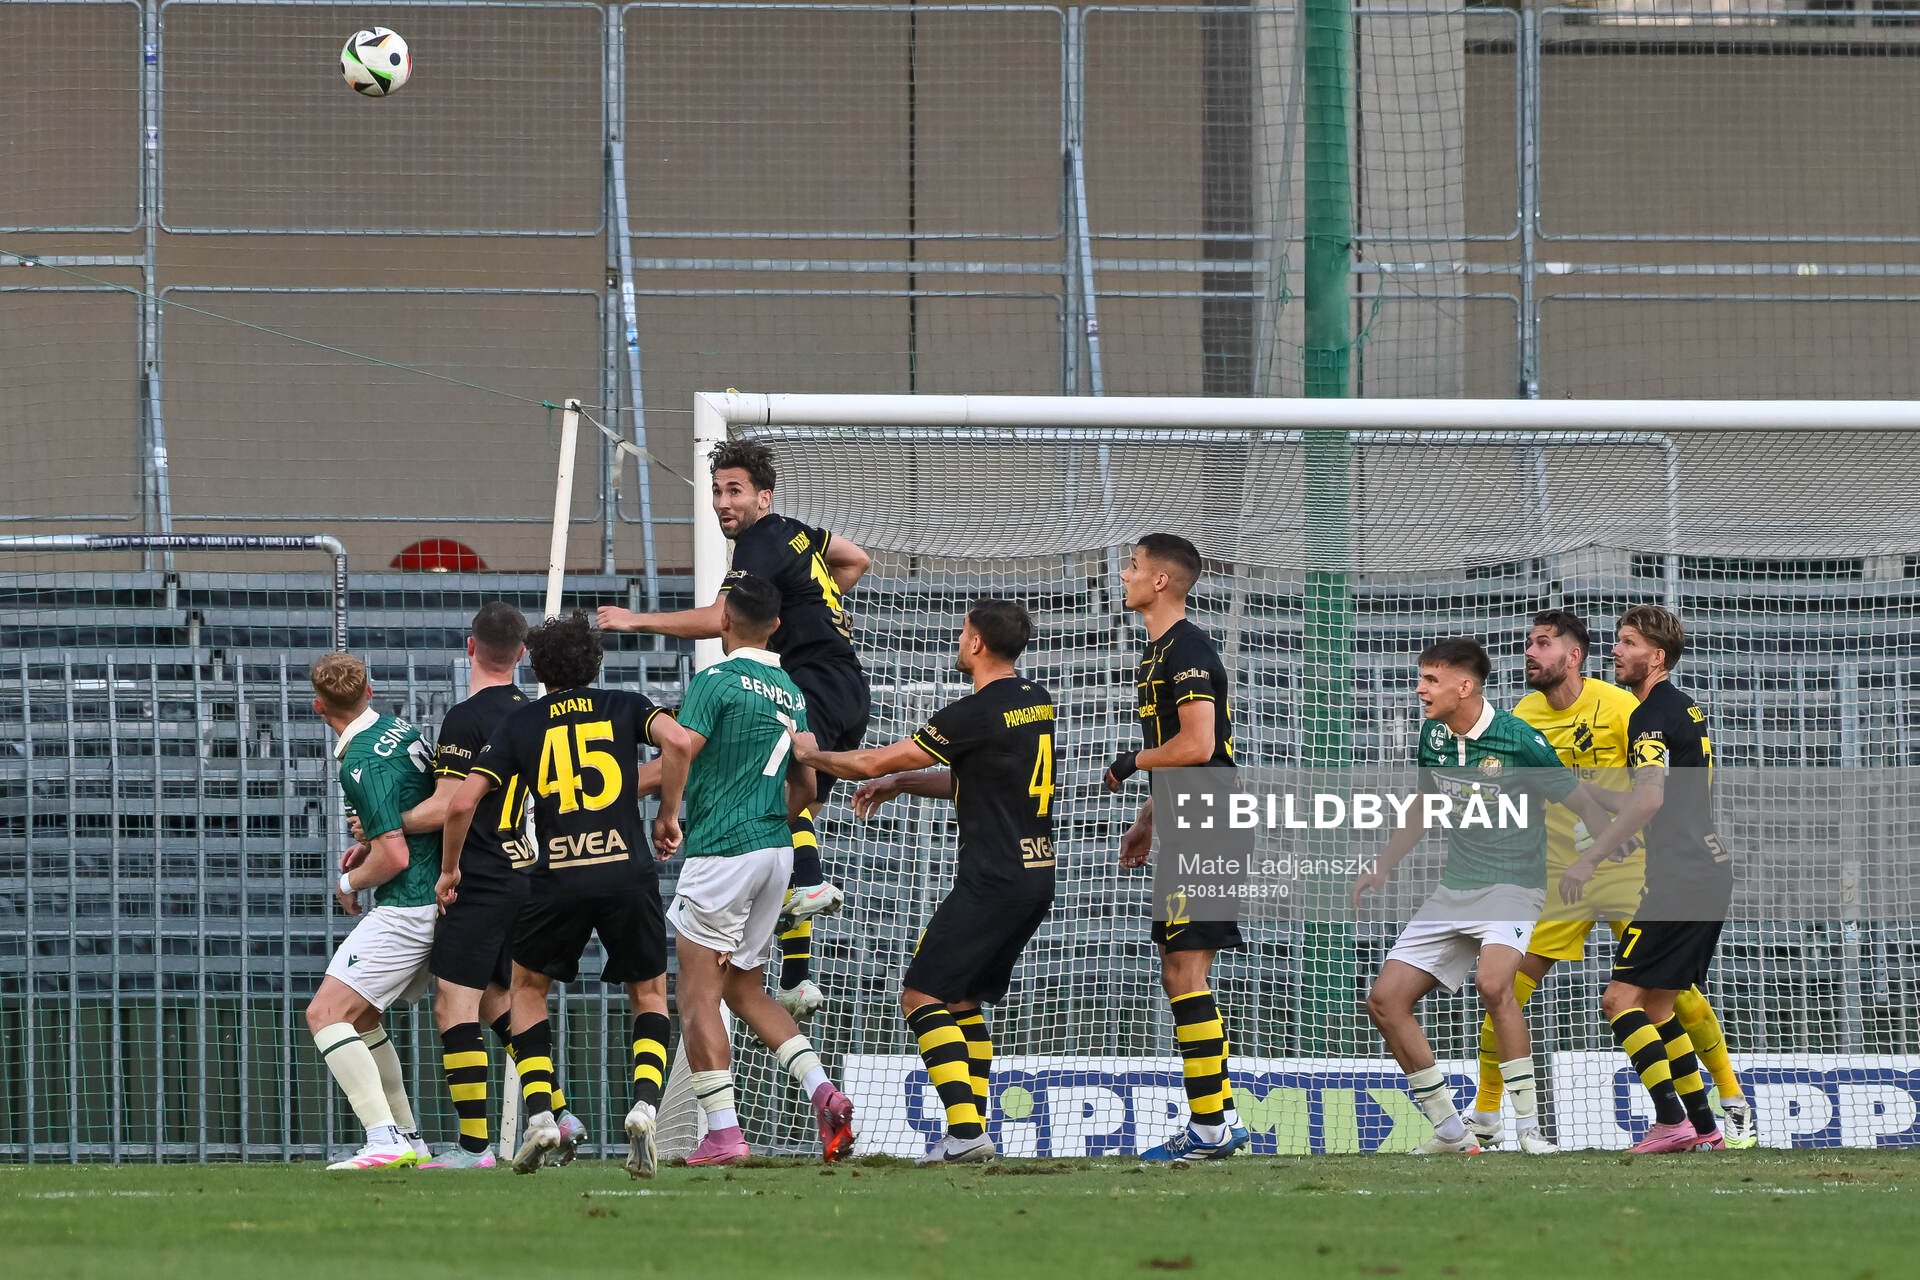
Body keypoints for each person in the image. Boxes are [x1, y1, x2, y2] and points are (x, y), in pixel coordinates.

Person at [599, 439, 872, 1019]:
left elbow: (716, 620)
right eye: (718, 491)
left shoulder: (758, 540)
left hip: (814, 683)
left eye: (735, 491)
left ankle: (814, 884)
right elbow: (857, 561)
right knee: (792, 814)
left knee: (774, 805)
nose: (724, 503)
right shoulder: (798, 533)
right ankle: (796, 978)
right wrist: (807, 608)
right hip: (845, 685)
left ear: (763, 496)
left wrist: (635, 619)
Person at [1466, 610, 1753, 1150]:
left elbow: (1651, 792)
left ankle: (1729, 1104)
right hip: (1558, 880)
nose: (1529, 652)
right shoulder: (1523, 715)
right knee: (1501, 988)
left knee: (1668, 997)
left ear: (1572, 657)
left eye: (1542, 643)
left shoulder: (1629, 707)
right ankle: (1486, 1114)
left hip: (1635, 870)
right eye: (1528, 643)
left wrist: (1600, 839)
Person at [795, 599, 1055, 1166]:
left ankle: (964, 1132)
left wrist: (810, 752)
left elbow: (869, 763)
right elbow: (981, 778)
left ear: (978, 644)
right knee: (961, 1000)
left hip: (993, 878)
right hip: (1035, 875)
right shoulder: (1036, 702)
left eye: (964, 632)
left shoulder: (972, 712)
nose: (959, 640)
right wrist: (909, 781)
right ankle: (973, 1131)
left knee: (920, 995)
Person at [440, 611, 692, 1177]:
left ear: (537, 665)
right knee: (649, 994)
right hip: (625, 870)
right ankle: (645, 1107)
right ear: (595, 662)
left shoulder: (523, 723)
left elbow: (460, 803)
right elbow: (678, 741)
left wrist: (450, 870)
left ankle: (540, 1116)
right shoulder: (624, 704)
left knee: (527, 990)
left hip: (556, 876)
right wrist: (667, 815)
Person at [1353, 638, 1616, 1154]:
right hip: (1455, 888)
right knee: (1385, 1001)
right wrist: (1382, 866)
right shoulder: (1431, 734)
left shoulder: (1519, 739)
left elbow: (1584, 804)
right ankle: (1451, 1132)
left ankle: (1530, 1131)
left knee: (1495, 985)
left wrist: (1590, 860)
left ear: (1464, 686)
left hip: (1512, 886)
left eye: (1431, 680)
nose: (1420, 689)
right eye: (1421, 678)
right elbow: (1425, 805)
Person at [659, 573, 856, 1166]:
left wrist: (669, 814)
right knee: (745, 988)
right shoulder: (792, 690)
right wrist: (771, 818)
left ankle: (723, 1134)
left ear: (723, 620)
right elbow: (808, 781)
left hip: (721, 852)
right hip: (777, 851)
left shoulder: (714, 680)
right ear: (775, 625)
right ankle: (824, 1092)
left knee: (696, 998)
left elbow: (678, 747)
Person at [1559, 605, 1732, 1154]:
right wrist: (1586, 793)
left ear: (1656, 657)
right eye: (1617, 641)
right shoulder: (1687, 709)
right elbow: (1654, 796)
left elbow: (1651, 799)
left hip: (1681, 877)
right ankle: (1704, 1129)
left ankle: (1671, 1121)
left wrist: (1591, 858)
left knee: (1618, 1001)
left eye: (1628, 643)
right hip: (1705, 869)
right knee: (1657, 1009)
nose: (1616, 651)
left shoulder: (1649, 715)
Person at [1103, 534, 1245, 1161]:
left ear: (1161, 581)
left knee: (1187, 972)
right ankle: (1222, 1120)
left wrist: (1131, 761)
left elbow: (1197, 746)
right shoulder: (1156, 653)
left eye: (1133, 566)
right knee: (1178, 970)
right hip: (1189, 816)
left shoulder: (1186, 649)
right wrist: (1148, 819)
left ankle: (1210, 1131)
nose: (1125, 575)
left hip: (1210, 820)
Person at [305, 652, 439, 1171]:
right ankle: (409, 1137)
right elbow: (401, 822)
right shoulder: (399, 728)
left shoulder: (361, 759)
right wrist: (373, 841)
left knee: (324, 1014)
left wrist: (348, 879)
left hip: (410, 905)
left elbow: (395, 855)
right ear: (371, 690)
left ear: (319, 707)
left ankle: (383, 1137)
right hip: (437, 895)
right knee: (362, 1017)